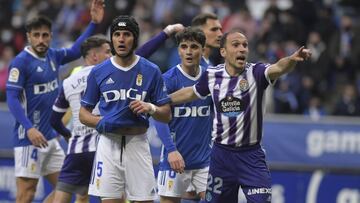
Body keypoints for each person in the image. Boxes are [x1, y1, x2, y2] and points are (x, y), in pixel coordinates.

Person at [169, 29, 311, 203]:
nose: (242, 49)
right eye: (235, 45)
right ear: (223, 51)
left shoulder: (257, 73)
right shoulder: (213, 75)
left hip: (251, 156)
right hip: (221, 156)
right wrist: (162, 101)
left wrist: (291, 60)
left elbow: (279, 67)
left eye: (245, 45)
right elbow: (191, 92)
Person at [5, 1, 104, 202]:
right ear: (29, 37)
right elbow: (12, 98)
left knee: (66, 189)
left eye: (45, 35)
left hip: (50, 138)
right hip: (28, 139)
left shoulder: (53, 55)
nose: (41, 40)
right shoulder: (20, 63)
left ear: (51, 36)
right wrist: (29, 128)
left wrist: (93, 23)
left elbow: (77, 51)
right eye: (36, 35)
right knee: (27, 193)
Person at [79, 15, 184, 203]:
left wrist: (150, 107)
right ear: (111, 39)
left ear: (134, 38)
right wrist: (101, 121)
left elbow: (166, 115)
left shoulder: (151, 70)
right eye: (117, 34)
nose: (121, 39)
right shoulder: (98, 72)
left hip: (138, 143)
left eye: (126, 34)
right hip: (108, 144)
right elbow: (83, 114)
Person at [49, 35, 111, 203]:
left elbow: (54, 120)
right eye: (107, 52)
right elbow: (139, 56)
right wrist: (165, 33)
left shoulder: (68, 81)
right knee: (115, 195)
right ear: (94, 55)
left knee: (66, 195)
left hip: (77, 149)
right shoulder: (109, 73)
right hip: (103, 147)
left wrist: (69, 136)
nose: (111, 56)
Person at [156, 27, 213, 203]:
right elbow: (159, 118)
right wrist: (171, 151)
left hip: (205, 162)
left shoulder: (211, 77)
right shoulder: (167, 79)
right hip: (174, 161)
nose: (188, 52)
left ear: (203, 50)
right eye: (183, 46)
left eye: (194, 47)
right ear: (178, 50)